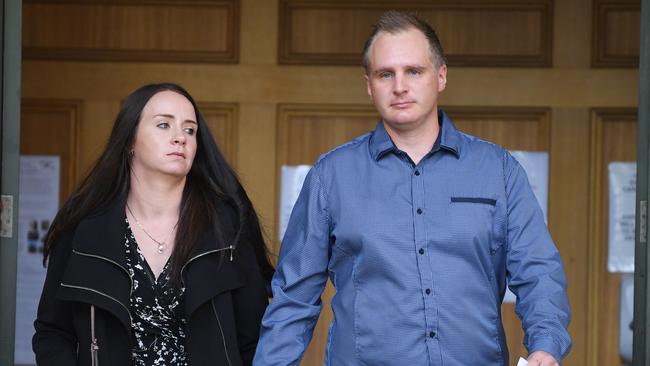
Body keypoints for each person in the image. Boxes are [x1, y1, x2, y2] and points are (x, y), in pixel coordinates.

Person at [254, 11, 571, 366]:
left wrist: (546, 345)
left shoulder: (498, 171)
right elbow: (295, 298)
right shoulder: (331, 177)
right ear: (369, 85)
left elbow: (538, 271)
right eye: (385, 74)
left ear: (441, 77)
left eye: (413, 71)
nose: (399, 86)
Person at [33, 83, 274, 366]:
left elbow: (255, 340)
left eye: (189, 129)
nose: (179, 138)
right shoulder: (84, 231)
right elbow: (53, 333)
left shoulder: (226, 229)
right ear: (130, 141)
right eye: (163, 125)